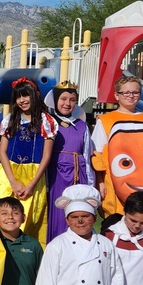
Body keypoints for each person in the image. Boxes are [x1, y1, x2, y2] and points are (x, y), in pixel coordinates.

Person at [0, 77, 57, 246]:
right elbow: (2, 152)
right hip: (8, 172)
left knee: (27, 217)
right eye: (18, 97)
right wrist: (12, 181)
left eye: (26, 96)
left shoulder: (46, 121)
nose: (22, 100)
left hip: (33, 174)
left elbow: (46, 156)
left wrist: (31, 184)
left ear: (35, 95)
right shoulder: (11, 119)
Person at [91, 75, 143, 216]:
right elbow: (96, 154)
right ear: (117, 95)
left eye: (135, 92)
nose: (131, 96)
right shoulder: (106, 121)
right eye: (126, 92)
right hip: (115, 180)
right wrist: (100, 182)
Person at [44, 81, 95, 243]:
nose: (67, 103)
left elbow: (87, 156)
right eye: (63, 99)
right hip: (56, 177)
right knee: (58, 215)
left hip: (78, 177)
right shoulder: (48, 123)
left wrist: (90, 185)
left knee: (78, 214)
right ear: (55, 100)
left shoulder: (82, 126)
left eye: (72, 100)